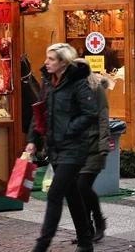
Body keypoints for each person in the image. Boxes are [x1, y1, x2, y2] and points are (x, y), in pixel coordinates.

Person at [25, 43, 97, 252]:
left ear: (63, 62)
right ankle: (85, 241)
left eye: (51, 59)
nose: (46, 62)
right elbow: (39, 113)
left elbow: (90, 114)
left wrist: (67, 129)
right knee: (72, 193)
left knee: (55, 193)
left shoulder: (78, 84)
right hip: (54, 148)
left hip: (74, 148)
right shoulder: (48, 83)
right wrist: (32, 139)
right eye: (47, 58)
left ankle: (41, 246)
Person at [72, 58, 110, 244]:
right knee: (78, 189)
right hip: (76, 147)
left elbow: (103, 116)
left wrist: (104, 143)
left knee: (82, 186)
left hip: (94, 145)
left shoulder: (97, 89)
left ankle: (98, 221)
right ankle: (85, 229)